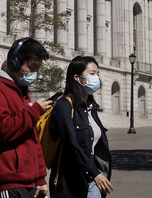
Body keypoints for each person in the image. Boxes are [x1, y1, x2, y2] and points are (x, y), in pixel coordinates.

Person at [0, 37, 53, 198]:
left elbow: (33, 140)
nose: (34, 73)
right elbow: (1, 129)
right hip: (8, 181)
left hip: (29, 181)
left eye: (37, 69)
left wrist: (41, 177)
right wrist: (34, 112)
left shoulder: (21, 92)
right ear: (14, 63)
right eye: (31, 67)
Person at [49, 56, 113, 198]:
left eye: (97, 74)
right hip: (71, 182)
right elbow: (72, 144)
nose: (97, 78)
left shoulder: (91, 108)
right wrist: (94, 173)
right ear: (77, 78)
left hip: (93, 181)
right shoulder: (64, 105)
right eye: (92, 74)